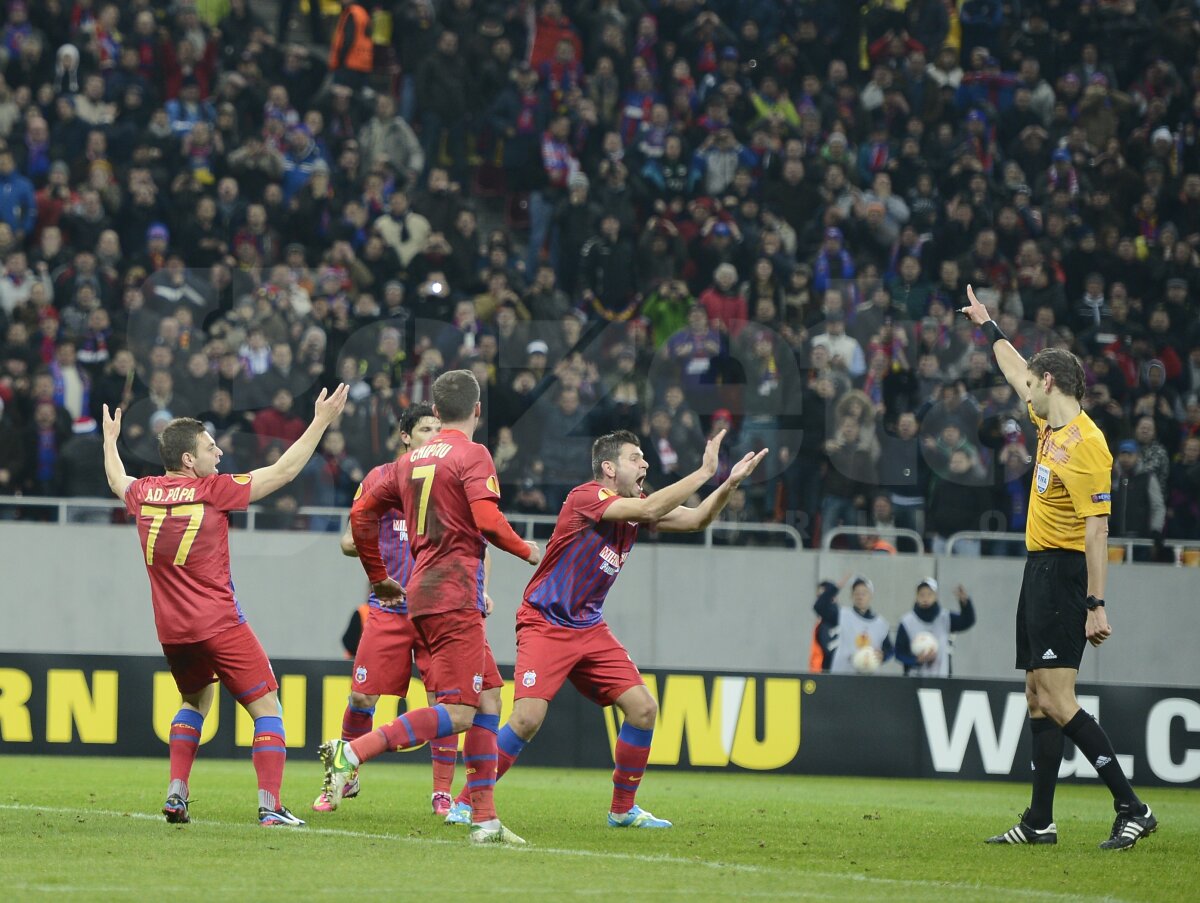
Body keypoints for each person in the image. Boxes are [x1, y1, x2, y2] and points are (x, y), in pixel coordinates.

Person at [442, 428, 766, 829]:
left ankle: (622, 810)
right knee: (526, 719)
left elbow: (698, 520)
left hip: (589, 626)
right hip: (545, 622)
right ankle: (465, 803)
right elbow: (651, 510)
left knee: (643, 710)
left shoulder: (636, 506)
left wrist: (729, 484)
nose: (645, 463)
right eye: (636, 458)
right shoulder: (587, 497)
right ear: (609, 468)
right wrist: (703, 473)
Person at [961, 285, 1156, 850]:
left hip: (1067, 576)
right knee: (1035, 693)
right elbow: (1012, 367)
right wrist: (989, 325)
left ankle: (1133, 806)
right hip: (1039, 571)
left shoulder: (1089, 446)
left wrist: (1096, 603)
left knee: (1057, 697)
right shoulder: (1049, 422)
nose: (1024, 389)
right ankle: (1039, 821)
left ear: (1050, 383)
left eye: (1032, 384)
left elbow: (1098, 530)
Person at [101, 384, 350, 827]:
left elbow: (116, 479)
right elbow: (284, 471)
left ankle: (176, 793)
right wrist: (321, 421)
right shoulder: (213, 490)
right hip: (219, 622)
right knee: (267, 708)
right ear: (188, 460)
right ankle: (271, 807)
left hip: (173, 631)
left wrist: (109, 441)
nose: (218, 453)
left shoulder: (145, 492)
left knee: (195, 701)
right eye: (209, 447)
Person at [320, 370, 541, 846]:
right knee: (459, 712)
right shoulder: (472, 454)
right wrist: (527, 550)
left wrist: (378, 575)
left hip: (423, 591)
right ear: (477, 410)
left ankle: (483, 817)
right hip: (453, 592)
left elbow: (360, 515)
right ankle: (351, 753)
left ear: (437, 412)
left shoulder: (407, 462)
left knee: (489, 699)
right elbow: (487, 519)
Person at [313, 403, 481, 817]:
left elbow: (479, 541)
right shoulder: (382, 478)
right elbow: (348, 541)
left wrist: (483, 590)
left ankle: (441, 793)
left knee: (444, 701)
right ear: (405, 436)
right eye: (426, 429)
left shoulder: (451, 480)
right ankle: (347, 774)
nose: (434, 436)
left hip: (438, 608)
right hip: (388, 607)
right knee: (361, 695)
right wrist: (377, 544)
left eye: (439, 429)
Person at [894, 578, 976, 676]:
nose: (925, 598)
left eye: (929, 594)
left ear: (936, 596)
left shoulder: (945, 618)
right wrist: (916, 660)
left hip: (941, 678)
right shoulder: (907, 622)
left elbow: (967, 621)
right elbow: (899, 653)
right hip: (914, 679)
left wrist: (965, 602)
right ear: (916, 597)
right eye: (922, 595)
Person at [812, 575, 893, 673]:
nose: (860, 596)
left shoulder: (881, 624)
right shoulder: (841, 615)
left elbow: (890, 649)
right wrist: (835, 588)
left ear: (871, 595)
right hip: (843, 674)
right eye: (857, 593)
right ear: (851, 596)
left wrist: (883, 656)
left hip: (869, 676)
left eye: (864, 593)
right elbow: (819, 607)